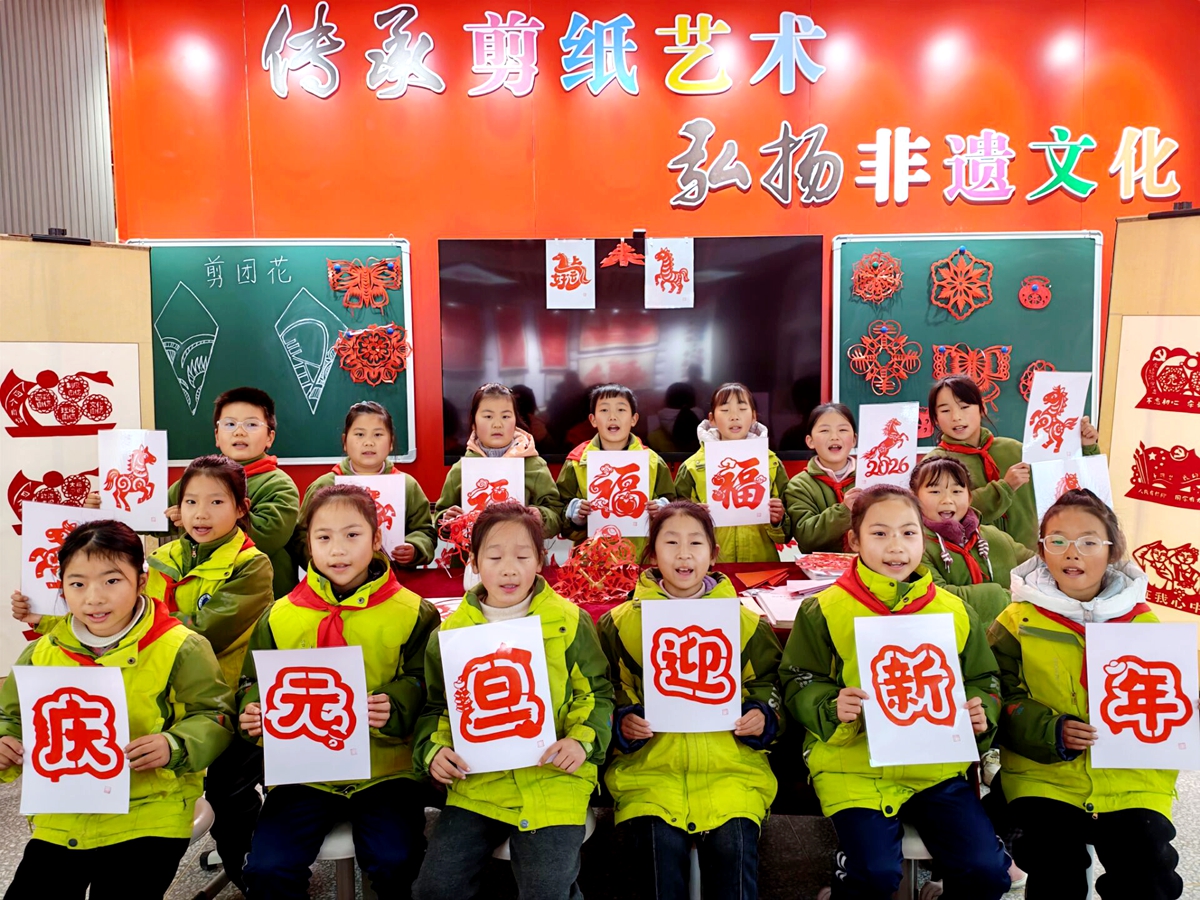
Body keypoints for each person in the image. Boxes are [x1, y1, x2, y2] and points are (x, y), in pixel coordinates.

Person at [782, 486, 1011, 900]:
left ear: (924, 538)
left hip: (936, 768)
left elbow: (984, 677)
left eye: (908, 533)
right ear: (854, 541)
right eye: (879, 533)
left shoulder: (954, 610)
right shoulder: (824, 609)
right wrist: (831, 706)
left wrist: (983, 712)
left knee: (987, 872)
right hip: (854, 768)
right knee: (874, 873)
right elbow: (800, 678)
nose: (896, 547)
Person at [3, 521, 234, 898]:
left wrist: (175, 745)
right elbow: (11, 717)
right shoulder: (42, 653)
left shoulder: (180, 646)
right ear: (61, 587)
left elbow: (215, 715)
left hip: (150, 812)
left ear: (141, 582)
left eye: (112, 581)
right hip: (63, 814)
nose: (94, 598)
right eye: (77, 584)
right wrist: (5, 743)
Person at [238, 484, 440, 899]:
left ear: (376, 538)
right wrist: (253, 711)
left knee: (396, 859)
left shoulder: (412, 612)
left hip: (386, 771)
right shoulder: (280, 615)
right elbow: (252, 682)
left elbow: (428, 683)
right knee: (267, 868)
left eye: (352, 534)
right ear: (308, 544)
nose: (338, 550)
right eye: (323, 537)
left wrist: (396, 702)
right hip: (303, 775)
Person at [412, 501, 613, 900]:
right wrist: (434, 750)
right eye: (494, 557)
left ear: (540, 560)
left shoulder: (569, 621)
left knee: (546, 890)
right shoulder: (450, 633)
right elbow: (438, 708)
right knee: (435, 888)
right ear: (473, 562)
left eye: (522, 556)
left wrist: (582, 741)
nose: (509, 569)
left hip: (555, 780)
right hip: (478, 785)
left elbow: (596, 693)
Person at [989, 489, 1183, 899]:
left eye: (1089, 542)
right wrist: (1049, 730)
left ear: (1113, 551)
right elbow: (996, 694)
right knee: (1056, 873)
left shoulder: (1143, 622)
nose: (1072, 553)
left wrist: (1190, 707)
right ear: (1042, 549)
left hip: (1132, 781)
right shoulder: (1017, 621)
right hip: (1043, 779)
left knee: (1150, 876)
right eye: (1058, 541)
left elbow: (1170, 698)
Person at [600, 500, 781, 899]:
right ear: (652, 553)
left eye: (696, 543)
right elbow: (606, 689)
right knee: (659, 858)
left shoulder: (746, 623)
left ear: (713, 554)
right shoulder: (620, 625)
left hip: (732, 772)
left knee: (733, 854)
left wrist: (761, 715)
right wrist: (623, 721)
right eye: (671, 542)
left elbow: (769, 684)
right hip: (650, 775)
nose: (684, 554)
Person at [150, 455, 273, 887]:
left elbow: (203, 634)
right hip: (169, 699)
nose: (201, 514)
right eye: (191, 502)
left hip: (234, 701)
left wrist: (151, 623)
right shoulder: (162, 558)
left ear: (241, 508)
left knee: (229, 794)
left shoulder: (252, 564)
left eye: (216, 502)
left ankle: (253, 876)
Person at [923, 375, 1099, 552]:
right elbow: (943, 513)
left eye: (964, 407)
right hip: (980, 560)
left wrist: (1086, 447)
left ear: (982, 408)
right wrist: (1004, 488)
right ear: (935, 418)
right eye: (945, 410)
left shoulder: (1015, 450)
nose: (956, 417)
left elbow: (1067, 480)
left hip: (1034, 555)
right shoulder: (935, 464)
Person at [167, 387, 301, 597]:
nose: (239, 432)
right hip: (203, 587)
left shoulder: (279, 484)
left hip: (261, 594)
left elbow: (266, 537)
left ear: (270, 437)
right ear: (217, 436)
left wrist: (192, 518)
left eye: (251, 424)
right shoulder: (199, 477)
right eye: (229, 424)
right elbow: (157, 515)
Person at [294, 400, 435, 571]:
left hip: (396, 577)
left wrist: (415, 547)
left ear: (391, 442)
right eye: (360, 434)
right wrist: (322, 561)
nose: (369, 442)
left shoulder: (407, 485)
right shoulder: (325, 485)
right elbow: (301, 535)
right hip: (335, 577)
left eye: (378, 435)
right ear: (345, 441)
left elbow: (425, 531)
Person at [674, 382, 789, 562]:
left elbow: (786, 533)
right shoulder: (692, 467)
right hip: (708, 566)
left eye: (742, 409)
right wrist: (693, 516)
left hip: (761, 564)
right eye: (725, 410)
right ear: (712, 419)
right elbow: (675, 525)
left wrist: (777, 520)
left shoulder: (771, 464)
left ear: (753, 416)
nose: (734, 417)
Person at [911, 456, 1033, 623]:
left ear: (969, 497)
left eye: (956, 491)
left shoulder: (995, 537)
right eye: (935, 491)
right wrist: (1008, 597)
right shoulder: (914, 546)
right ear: (914, 498)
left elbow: (1040, 567)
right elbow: (938, 596)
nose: (947, 500)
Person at [434, 383, 561, 543]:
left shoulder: (534, 465)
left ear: (515, 421)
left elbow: (556, 513)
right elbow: (440, 515)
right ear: (473, 423)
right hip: (472, 557)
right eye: (488, 416)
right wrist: (447, 521)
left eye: (505, 416)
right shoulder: (460, 469)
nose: (497, 424)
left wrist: (541, 516)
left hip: (522, 554)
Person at [556, 383, 676, 552]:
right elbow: (558, 515)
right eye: (604, 410)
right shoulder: (576, 461)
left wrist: (663, 510)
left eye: (621, 410)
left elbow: (674, 507)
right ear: (593, 420)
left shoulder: (653, 461)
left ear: (634, 419)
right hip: (591, 559)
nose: (612, 417)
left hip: (641, 556)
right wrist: (575, 516)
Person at [786, 403, 860, 553]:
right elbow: (806, 537)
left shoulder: (870, 478)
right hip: (820, 566)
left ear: (854, 439)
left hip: (866, 565)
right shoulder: (799, 485)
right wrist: (844, 511)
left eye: (843, 430)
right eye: (825, 430)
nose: (834, 437)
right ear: (810, 441)